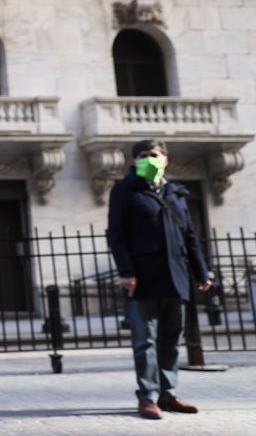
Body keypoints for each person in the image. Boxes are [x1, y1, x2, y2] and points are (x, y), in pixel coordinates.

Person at [106, 139, 213, 420]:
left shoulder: (176, 192)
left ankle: (168, 393)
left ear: (165, 160)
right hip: (142, 278)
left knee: (171, 338)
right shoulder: (125, 191)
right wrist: (126, 272)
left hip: (175, 277)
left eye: (154, 155)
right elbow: (116, 236)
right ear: (134, 161)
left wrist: (202, 272)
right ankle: (148, 396)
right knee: (145, 341)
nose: (149, 159)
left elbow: (190, 235)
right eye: (143, 156)